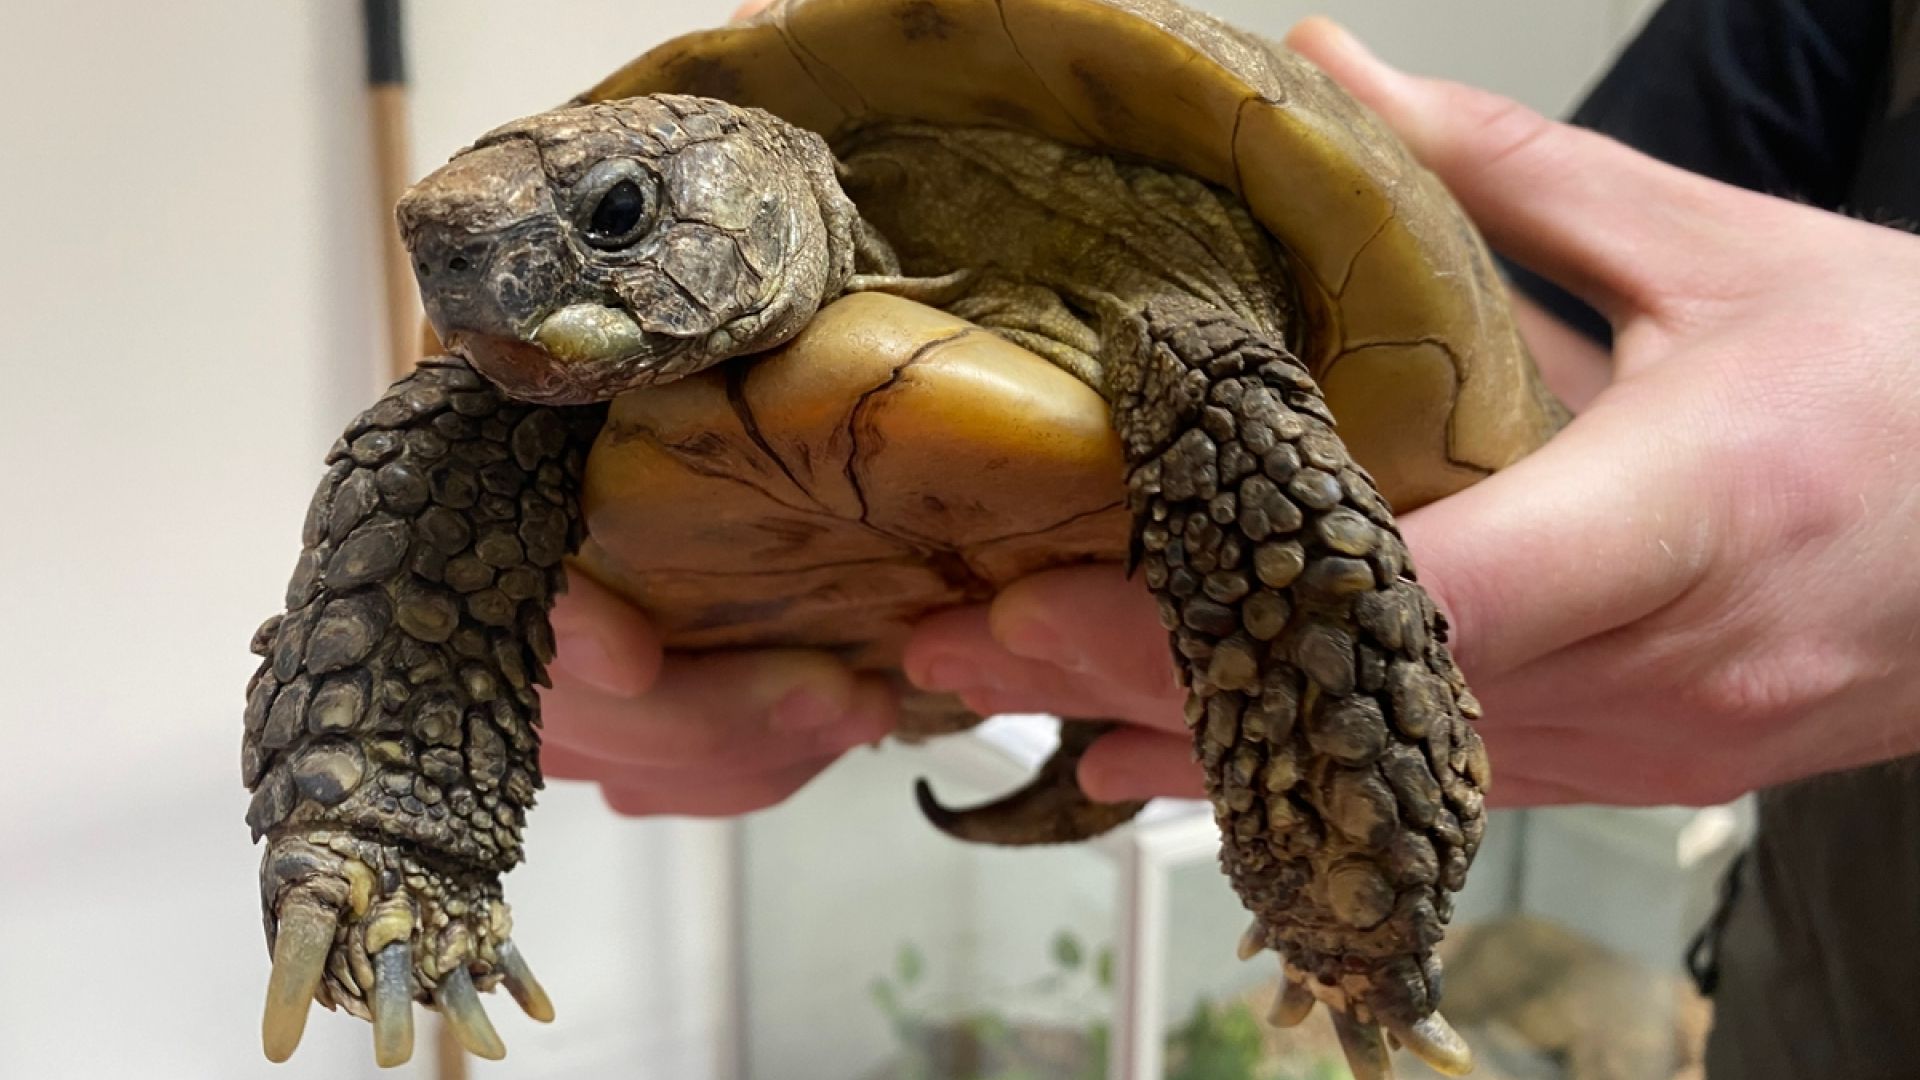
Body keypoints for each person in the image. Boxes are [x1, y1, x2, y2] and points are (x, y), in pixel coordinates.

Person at [542, 2, 1920, 1074]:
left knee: (1226, 406)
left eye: (613, 222)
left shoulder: (1174, 309)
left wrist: (1343, 833)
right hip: (1822, 1002)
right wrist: (400, 731)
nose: (492, 282)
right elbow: (1594, 351)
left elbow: (1370, 399)